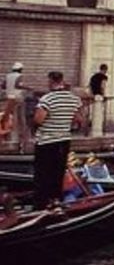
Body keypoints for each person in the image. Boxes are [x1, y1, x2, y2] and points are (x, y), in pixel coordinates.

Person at [32, 71, 83, 208]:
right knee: (58, 172)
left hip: (46, 142)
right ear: (62, 80)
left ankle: (41, 203)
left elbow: (38, 119)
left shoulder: (47, 99)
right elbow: (78, 120)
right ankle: (56, 200)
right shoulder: (74, 99)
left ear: (51, 81)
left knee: (43, 173)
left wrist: (35, 127)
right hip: (64, 141)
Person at [4, 62, 26, 147]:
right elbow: (18, 85)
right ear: (20, 69)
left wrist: (9, 88)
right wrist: (27, 88)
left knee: (10, 115)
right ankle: (21, 136)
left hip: (9, 97)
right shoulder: (19, 76)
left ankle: (9, 134)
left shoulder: (8, 76)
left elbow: (3, 85)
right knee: (20, 116)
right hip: (17, 97)